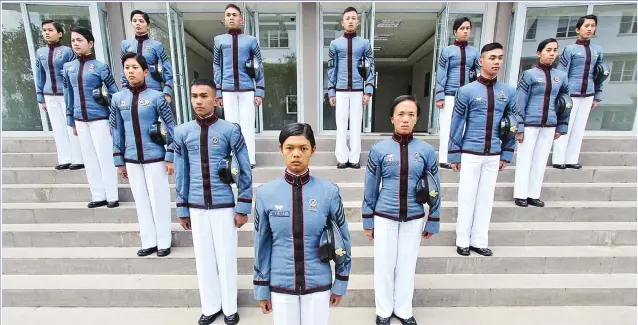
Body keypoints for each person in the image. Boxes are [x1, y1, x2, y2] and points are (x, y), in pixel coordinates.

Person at [253, 123, 352, 325]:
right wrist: (262, 287)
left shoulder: (329, 192)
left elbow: (343, 240)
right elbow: (261, 245)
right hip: (281, 286)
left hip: (318, 285)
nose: (296, 154)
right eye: (290, 148)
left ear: (313, 151)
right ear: (280, 149)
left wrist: (340, 281)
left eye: (303, 148)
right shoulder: (265, 193)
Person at [173, 78, 252, 325]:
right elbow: (180, 171)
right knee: (204, 259)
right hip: (196, 206)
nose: (199, 101)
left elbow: (244, 168)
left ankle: (230, 308)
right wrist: (182, 208)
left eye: (204, 96)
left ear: (216, 100)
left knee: (226, 257)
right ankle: (210, 306)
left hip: (223, 206)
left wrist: (243, 205)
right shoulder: (182, 132)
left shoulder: (231, 130)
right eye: (195, 96)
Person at [361, 95, 441, 325]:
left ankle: (404, 309)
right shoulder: (379, 150)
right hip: (384, 215)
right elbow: (370, 187)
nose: (406, 119)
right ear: (392, 118)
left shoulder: (426, 151)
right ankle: (384, 310)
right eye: (401, 114)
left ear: (417, 119)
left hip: (415, 216)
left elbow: (435, 187)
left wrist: (433, 218)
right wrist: (368, 220)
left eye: (411, 115)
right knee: (384, 265)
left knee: (407, 264)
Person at [448, 42, 518, 257]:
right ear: (481, 61)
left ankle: (479, 240)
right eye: (492, 58)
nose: (496, 62)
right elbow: (456, 123)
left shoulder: (508, 92)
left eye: (499, 58)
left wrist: (507, 152)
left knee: (486, 199)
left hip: (493, 153)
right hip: (470, 151)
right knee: (467, 197)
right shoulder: (466, 91)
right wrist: (454, 153)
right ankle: (463, 240)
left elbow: (512, 122)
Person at [110, 52, 176, 257]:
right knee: (141, 200)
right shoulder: (118, 98)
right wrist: (119, 160)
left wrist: (170, 155)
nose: (131, 71)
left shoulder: (156, 97)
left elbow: (171, 127)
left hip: (155, 156)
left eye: (135, 68)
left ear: (145, 71)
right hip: (131, 158)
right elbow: (116, 130)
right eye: (127, 68)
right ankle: (148, 240)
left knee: (159, 198)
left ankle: (164, 241)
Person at [62, 26, 119, 209]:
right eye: (73, 41)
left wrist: (112, 115)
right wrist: (70, 119)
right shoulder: (68, 68)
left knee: (104, 156)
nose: (76, 44)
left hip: (100, 117)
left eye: (80, 40)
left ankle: (112, 195)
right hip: (80, 119)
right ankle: (98, 194)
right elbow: (68, 94)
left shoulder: (101, 67)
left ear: (91, 43)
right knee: (89, 157)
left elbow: (114, 93)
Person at [514, 38, 570, 208]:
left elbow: (566, 102)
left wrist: (562, 125)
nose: (552, 53)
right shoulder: (529, 75)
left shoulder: (561, 76)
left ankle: (533, 194)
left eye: (554, 50)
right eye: (548, 50)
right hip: (530, 123)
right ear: (539, 53)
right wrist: (520, 126)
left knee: (541, 160)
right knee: (525, 159)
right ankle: (521, 194)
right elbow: (519, 101)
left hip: (550, 124)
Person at [213, 3, 264, 168]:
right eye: (228, 15)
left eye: (234, 15)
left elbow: (259, 65)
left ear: (241, 19)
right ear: (224, 19)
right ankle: (234, 159)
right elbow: (217, 66)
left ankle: (249, 159)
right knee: (231, 126)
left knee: (248, 124)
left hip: (247, 88)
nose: (231, 18)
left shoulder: (251, 41)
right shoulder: (219, 40)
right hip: (227, 89)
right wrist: (219, 92)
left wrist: (260, 91)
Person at [552, 14, 604, 169]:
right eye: (586, 26)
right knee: (564, 124)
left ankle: (571, 159)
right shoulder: (570, 49)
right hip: (570, 95)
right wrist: (560, 95)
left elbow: (600, 74)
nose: (589, 29)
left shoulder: (597, 50)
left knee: (579, 128)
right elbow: (561, 73)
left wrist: (597, 96)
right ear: (578, 29)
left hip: (588, 94)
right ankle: (558, 159)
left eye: (592, 26)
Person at [327, 6, 375, 169]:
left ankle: (354, 159)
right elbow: (332, 68)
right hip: (340, 90)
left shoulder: (364, 44)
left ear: (358, 22)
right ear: (342, 22)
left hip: (357, 91)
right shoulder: (335, 44)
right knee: (341, 125)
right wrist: (331, 91)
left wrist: (368, 90)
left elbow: (370, 67)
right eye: (347, 18)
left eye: (353, 18)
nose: (350, 21)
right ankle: (342, 158)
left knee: (355, 125)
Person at [34, 20, 84, 170]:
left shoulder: (68, 51)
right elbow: (39, 74)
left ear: (60, 33)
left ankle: (78, 158)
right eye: (44, 30)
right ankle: (65, 158)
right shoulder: (40, 52)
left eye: (50, 30)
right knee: (57, 126)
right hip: (49, 93)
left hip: (65, 93)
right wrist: (40, 96)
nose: (47, 33)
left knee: (71, 124)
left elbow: (72, 73)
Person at [435, 17, 480, 170]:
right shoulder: (447, 51)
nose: (465, 31)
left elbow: (479, 72)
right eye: (462, 28)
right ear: (455, 31)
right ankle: (444, 158)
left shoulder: (474, 52)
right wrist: (439, 96)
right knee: (447, 127)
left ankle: (460, 158)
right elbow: (441, 74)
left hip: (467, 96)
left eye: (468, 28)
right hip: (449, 95)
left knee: (465, 127)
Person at [120, 10, 174, 103]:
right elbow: (123, 69)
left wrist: (167, 92)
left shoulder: (157, 45)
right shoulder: (125, 45)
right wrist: (125, 91)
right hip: (132, 92)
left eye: (141, 21)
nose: (137, 24)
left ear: (148, 25)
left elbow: (168, 72)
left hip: (154, 90)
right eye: (134, 21)